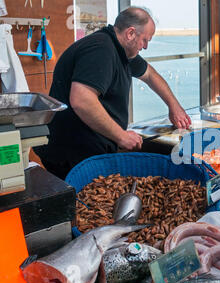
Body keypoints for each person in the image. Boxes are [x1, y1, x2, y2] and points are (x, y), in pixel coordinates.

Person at [34, 7, 192, 180]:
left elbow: (150, 75)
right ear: (131, 33)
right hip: (71, 153)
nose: (145, 47)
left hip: (90, 148)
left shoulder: (122, 51)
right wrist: (121, 136)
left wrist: (174, 106)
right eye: (145, 40)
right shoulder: (101, 49)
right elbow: (81, 100)